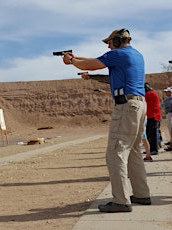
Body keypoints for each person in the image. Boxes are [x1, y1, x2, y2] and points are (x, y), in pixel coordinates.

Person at [61, 28, 151, 212]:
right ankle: (142, 194)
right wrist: (76, 58)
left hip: (126, 106)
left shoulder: (118, 54)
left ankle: (120, 200)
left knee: (116, 152)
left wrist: (71, 61)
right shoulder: (135, 54)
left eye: (109, 42)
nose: (108, 46)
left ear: (117, 41)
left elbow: (91, 64)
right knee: (133, 151)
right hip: (138, 105)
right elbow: (96, 63)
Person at [144, 82, 162, 155]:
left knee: (152, 134)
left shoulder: (150, 94)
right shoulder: (151, 93)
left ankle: (154, 149)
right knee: (149, 133)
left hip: (153, 116)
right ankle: (151, 148)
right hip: (151, 116)